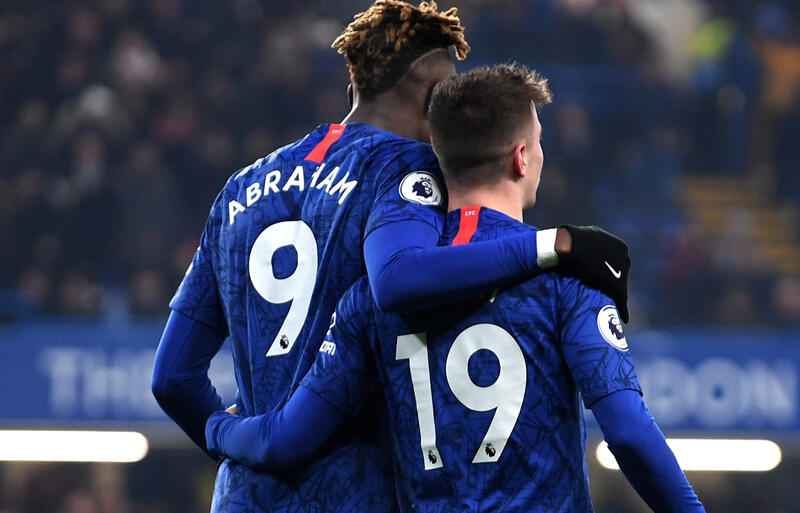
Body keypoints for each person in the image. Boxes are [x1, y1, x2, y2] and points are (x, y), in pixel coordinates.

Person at [153, 2, 631, 511]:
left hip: (242, 495)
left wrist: (230, 440)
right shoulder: (407, 167)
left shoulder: (240, 188)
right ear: (435, 98)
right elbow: (400, 277)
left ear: (354, 84)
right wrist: (552, 246)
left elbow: (172, 378)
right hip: (354, 492)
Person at [206, 65, 706, 513]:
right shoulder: (566, 279)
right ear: (521, 158)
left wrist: (217, 427)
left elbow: (285, 441)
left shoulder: (367, 299)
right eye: (538, 141)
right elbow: (629, 434)